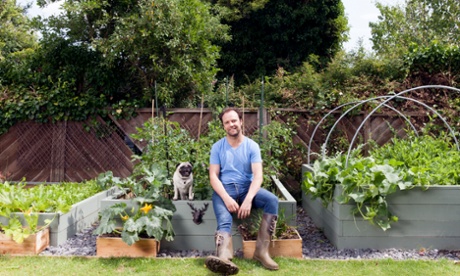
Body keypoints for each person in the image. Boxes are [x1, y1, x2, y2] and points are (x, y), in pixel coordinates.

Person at [204, 107, 279, 275]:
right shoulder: (217, 147)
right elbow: (213, 177)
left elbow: (258, 176)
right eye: (227, 122)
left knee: (272, 200)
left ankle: (262, 252)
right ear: (223, 126)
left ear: (241, 122)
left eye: (234, 121)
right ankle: (223, 257)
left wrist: (248, 199)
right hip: (225, 190)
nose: (231, 124)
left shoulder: (252, 146)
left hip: (246, 188)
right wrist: (226, 198)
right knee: (224, 219)